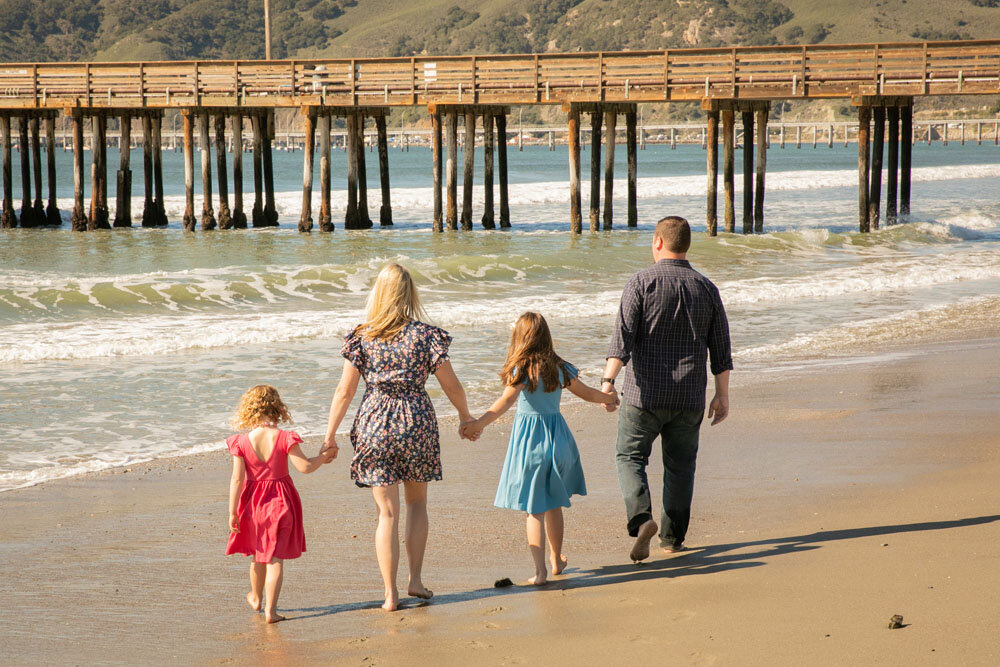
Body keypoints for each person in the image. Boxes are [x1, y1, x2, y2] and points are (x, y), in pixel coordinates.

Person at [323, 263, 475, 611]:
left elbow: (344, 391)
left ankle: (389, 594)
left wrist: (329, 435)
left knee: (386, 514)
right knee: (417, 503)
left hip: (375, 423)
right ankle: (415, 580)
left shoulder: (362, 336)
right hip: (416, 422)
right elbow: (451, 385)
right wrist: (466, 417)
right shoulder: (425, 336)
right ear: (409, 294)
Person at [601, 216, 732, 563]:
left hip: (644, 396)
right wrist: (722, 395)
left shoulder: (640, 283)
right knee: (680, 468)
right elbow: (721, 351)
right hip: (689, 397)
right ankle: (672, 540)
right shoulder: (707, 288)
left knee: (630, 457)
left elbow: (621, 340)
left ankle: (642, 518)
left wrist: (608, 382)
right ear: (686, 244)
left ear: (658, 241)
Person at [462, 312, 618, 585]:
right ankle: (556, 560)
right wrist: (608, 398)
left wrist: (479, 424)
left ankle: (540, 571)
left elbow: (505, 402)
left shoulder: (521, 369)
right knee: (554, 503)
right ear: (546, 336)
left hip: (530, 443)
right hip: (559, 441)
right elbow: (587, 393)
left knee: (534, 510)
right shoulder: (560, 368)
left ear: (519, 338)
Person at [225, 384, 334, 623]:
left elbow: (237, 479)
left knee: (258, 554)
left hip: (253, 504)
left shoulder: (240, 442)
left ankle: (256, 597)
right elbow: (305, 467)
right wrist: (324, 457)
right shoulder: (285, 437)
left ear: (248, 410)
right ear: (277, 408)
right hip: (282, 502)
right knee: (275, 559)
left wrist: (233, 511)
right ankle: (271, 611)